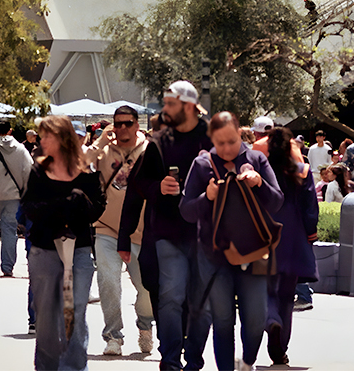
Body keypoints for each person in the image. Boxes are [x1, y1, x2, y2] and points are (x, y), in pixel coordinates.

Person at [122, 80, 213, 371]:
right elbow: (139, 183)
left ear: (188, 106)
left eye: (170, 104)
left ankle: (194, 358)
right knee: (171, 296)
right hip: (167, 233)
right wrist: (158, 186)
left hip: (204, 235)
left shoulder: (213, 138)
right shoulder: (160, 142)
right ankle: (171, 360)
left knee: (199, 302)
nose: (165, 109)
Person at [180, 111, 282, 371]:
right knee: (223, 319)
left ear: (240, 133)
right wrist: (208, 197)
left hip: (254, 251)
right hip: (214, 254)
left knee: (256, 318)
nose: (225, 148)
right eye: (219, 142)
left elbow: (277, 202)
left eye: (231, 141)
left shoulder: (257, 159)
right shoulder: (202, 165)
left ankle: (247, 363)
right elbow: (186, 210)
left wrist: (259, 183)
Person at [23, 114, 106, 371]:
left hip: (78, 250)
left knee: (74, 311)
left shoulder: (85, 172)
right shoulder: (38, 171)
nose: (42, 140)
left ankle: (73, 368)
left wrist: (82, 201)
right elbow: (28, 208)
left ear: (63, 139)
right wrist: (60, 205)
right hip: (45, 251)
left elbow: (97, 208)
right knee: (47, 316)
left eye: (47, 135)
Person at [86, 105, 152, 357]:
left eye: (127, 123)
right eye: (117, 123)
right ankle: (113, 336)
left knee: (145, 288)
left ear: (137, 124)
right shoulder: (103, 148)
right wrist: (100, 140)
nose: (122, 128)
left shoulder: (149, 150)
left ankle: (145, 326)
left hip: (141, 231)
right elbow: (79, 166)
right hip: (107, 228)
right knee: (108, 282)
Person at [262, 127, 317, 367]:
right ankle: (280, 349)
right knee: (287, 295)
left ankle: (269, 318)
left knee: (265, 289)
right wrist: (310, 232)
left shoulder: (261, 169)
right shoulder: (301, 170)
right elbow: (310, 204)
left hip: (265, 233)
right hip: (293, 234)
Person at [0, 117, 32, 278]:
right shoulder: (21, 149)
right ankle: (7, 266)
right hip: (13, 197)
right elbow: (29, 170)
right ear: (10, 131)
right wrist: (23, 191)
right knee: (10, 230)